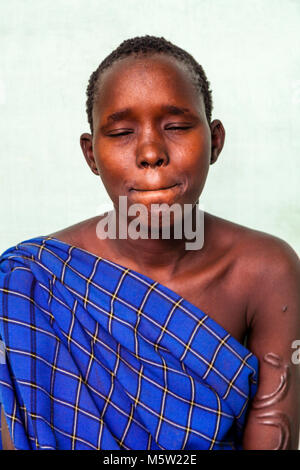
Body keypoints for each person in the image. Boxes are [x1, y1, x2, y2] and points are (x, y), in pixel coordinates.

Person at [0, 35, 299, 450]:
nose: (151, 151)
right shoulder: (30, 281)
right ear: (91, 155)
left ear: (216, 141)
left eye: (175, 126)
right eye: (121, 132)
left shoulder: (265, 271)